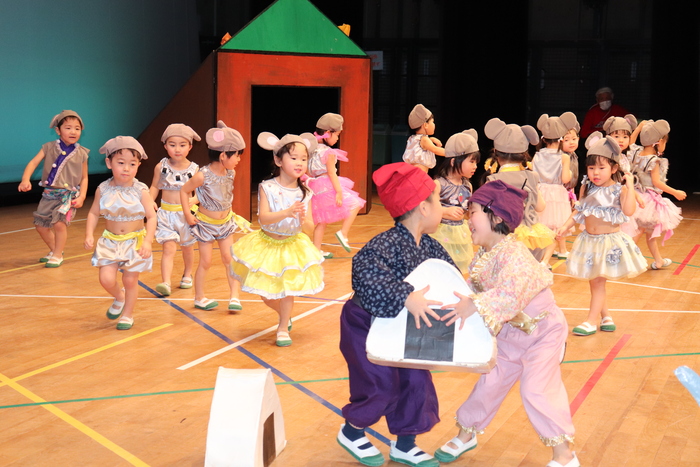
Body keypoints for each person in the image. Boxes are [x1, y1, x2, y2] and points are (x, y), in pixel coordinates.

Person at [434, 180, 578, 467]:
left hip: (543, 333)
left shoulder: (515, 255)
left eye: (474, 211)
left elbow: (510, 296)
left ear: (496, 217)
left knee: (536, 388)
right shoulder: (485, 254)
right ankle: (466, 433)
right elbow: (476, 287)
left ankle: (565, 456)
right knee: (490, 383)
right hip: (511, 333)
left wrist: (474, 304)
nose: (468, 218)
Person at [337, 162, 454, 467]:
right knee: (381, 384)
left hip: (405, 330)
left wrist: (465, 299)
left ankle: (405, 444)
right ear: (423, 208)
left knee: (417, 383)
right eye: (438, 201)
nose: (442, 208)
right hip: (364, 325)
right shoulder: (385, 244)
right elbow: (365, 274)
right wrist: (405, 296)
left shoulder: (431, 247)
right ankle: (352, 430)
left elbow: (449, 277)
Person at [230, 132, 324, 347]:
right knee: (265, 293)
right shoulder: (267, 187)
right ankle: (285, 315)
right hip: (267, 244)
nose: (299, 163)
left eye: (303, 159)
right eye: (294, 158)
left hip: (292, 245)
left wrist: (302, 219)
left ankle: (282, 328)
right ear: (278, 160)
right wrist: (287, 212)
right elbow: (263, 218)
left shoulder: (306, 193)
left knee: (287, 290)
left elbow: (310, 227)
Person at [557, 134, 647, 336]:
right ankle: (606, 315)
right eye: (591, 168)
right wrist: (565, 226)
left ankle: (590, 321)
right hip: (589, 241)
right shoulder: (586, 187)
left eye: (601, 168)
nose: (595, 173)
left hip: (608, 243)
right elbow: (579, 211)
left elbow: (629, 211)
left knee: (598, 281)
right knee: (595, 281)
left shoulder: (619, 190)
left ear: (614, 168)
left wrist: (630, 187)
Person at [84, 136, 157, 330]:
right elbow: (93, 213)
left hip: (134, 242)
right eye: (121, 163)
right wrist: (89, 234)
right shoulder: (103, 189)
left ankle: (127, 315)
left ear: (138, 165)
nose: (126, 168)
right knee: (106, 279)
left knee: (130, 279)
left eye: (132, 164)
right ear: (109, 163)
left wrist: (148, 241)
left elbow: (151, 217)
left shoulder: (140, 190)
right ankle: (119, 296)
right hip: (110, 241)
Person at [180, 121, 251, 311]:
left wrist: (197, 199)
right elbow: (184, 190)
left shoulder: (231, 173)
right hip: (206, 225)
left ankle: (234, 297)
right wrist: (187, 213)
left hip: (226, 223)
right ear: (223, 155)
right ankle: (199, 297)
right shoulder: (202, 175)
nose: (239, 159)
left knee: (229, 259)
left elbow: (217, 194)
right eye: (237, 155)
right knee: (206, 261)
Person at [18, 110, 89, 268]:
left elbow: (84, 177)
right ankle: (56, 250)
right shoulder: (48, 147)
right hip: (49, 195)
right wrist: (25, 179)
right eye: (68, 128)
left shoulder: (82, 153)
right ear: (58, 130)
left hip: (67, 196)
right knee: (41, 226)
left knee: (59, 224)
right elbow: (33, 163)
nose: (73, 132)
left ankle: (57, 255)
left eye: (77, 128)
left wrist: (82, 196)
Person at [482, 118, 554, 264]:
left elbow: (485, 213)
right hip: (530, 237)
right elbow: (540, 207)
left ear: (495, 153)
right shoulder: (531, 177)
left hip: (502, 236)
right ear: (524, 155)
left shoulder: (493, 179)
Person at [149, 124, 200, 296]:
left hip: (186, 215)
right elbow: (155, 186)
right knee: (168, 248)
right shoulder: (160, 166)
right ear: (165, 146)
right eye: (172, 145)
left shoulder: (194, 169)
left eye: (182, 145)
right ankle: (166, 282)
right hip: (166, 215)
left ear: (190, 147)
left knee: (187, 247)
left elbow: (201, 191)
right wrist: (149, 200)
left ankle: (187, 274)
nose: (177, 149)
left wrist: (195, 199)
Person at [307, 113, 366, 259]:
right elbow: (332, 173)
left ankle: (316, 251)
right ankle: (343, 232)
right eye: (337, 135)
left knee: (322, 221)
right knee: (356, 203)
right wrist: (338, 191)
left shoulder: (310, 150)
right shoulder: (329, 152)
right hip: (327, 185)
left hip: (313, 185)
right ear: (328, 133)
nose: (338, 139)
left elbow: (307, 171)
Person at [628, 120, 685, 269]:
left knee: (649, 232)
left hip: (636, 195)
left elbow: (631, 141)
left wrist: (639, 127)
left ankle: (658, 260)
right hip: (647, 199)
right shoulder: (654, 161)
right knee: (640, 231)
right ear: (659, 142)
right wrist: (675, 192)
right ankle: (626, 259)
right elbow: (657, 182)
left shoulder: (636, 153)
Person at [429, 130, 480, 272]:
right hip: (441, 234)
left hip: (461, 235)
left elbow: (468, 211)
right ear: (453, 161)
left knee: (458, 269)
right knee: (440, 269)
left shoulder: (467, 186)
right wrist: (445, 211)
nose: (475, 166)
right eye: (471, 161)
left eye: (476, 162)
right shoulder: (439, 184)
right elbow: (428, 209)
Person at [533, 113, 577, 261]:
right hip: (556, 193)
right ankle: (546, 259)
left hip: (540, 191)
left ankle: (542, 255)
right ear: (561, 138)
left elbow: (533, 174)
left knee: (541, 226)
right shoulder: (564, 157)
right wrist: (570, 173)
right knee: (556, 227)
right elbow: (565, 179)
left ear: (544, 139)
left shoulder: (537, 155)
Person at [602, 115, 646, 238]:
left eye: (625, 137)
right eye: (616, 136)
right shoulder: (607, 157)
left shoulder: (624, 157)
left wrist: (636, 196)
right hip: (609, 201)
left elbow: (626, 182)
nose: (621, 140)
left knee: (622, 235)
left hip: (622, 200)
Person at [402, 104, 445, 172]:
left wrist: (431, 139)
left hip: (412, 172)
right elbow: (435, 150)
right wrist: (452, 152)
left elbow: (422, 145)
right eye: (432, 122)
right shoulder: (424, 139)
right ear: (425, 125)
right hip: (419, 174)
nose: (434, 124)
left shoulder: (413, 138)